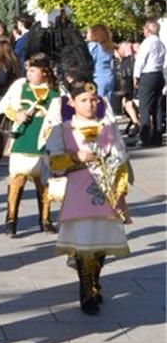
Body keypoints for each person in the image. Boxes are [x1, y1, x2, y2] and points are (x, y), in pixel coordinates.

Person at [46, 80, 131, 314]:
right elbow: (53, 163)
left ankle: (94, 282)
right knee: (84, 244)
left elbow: (122, 163)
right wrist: (75, 157)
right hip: (78, 193)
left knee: (101, 243)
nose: (90, 104)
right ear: (72, 103)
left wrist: (120, 193)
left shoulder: (108, 127)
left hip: (106, 193)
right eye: (83, 100)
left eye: (94, 100)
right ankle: (86, 293)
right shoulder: (63, 130)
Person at [0, 52, 60, 236]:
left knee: (44, 183)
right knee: (17, 180)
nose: (29, 74)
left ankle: (45, 219)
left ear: (45, 72)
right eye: (28, 70)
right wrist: (16, 114)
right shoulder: (20, 86)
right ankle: (11, 219)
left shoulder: (56, 92)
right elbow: (4, 105)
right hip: (23, 138)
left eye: (33, 70)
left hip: (44, 140)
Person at [133, 20, 165, 147]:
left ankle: (144, 137)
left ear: (148, 30)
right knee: (158, 106)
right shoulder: (160, 43)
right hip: (158, 74)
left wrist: (136, 76)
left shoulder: (147, 43)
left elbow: (140, 60)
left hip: (148, 74)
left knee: (145, 106)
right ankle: (157, 136)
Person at [86, 24, 115, 104]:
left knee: (96, 104)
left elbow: (89, 61)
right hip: (109, 77)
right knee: (107, 104)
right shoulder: (108, 46)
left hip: (97, 79)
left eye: (88, 32)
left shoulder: (94, 45)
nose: (86, 35)